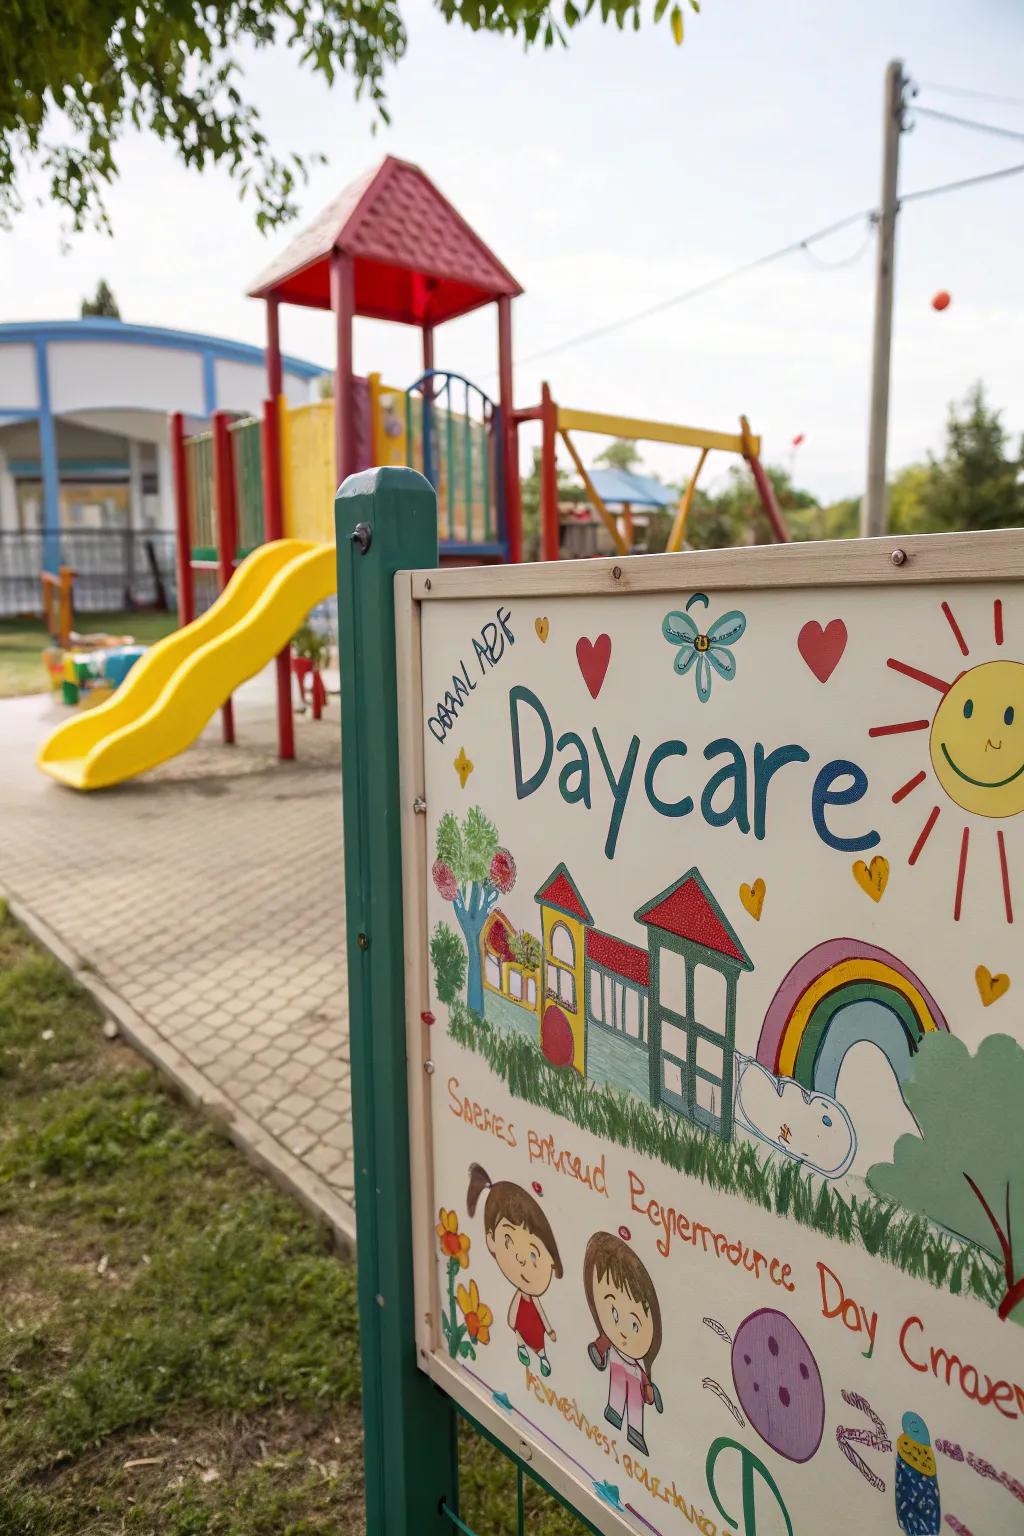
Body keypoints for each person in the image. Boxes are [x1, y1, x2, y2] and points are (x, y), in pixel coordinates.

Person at [467, 1163, 562, 1377]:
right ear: (492, 1240)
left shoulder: (531, 1297)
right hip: (521, 1323)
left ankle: (542, 1357)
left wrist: (549, 1330)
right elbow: (513, 1314)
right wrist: (511, 1323)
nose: (519, 1258)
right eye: (507, 1241)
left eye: (533, 1255)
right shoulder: (521, 1296)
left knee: (536, 1340)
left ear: (552, 1263)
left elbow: (542, 1315)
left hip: (534, 1327)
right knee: (520, 1332)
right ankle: (523, 1348)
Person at [583, 1230, 663, 1455]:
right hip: (618, 1365)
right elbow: (600, 1346)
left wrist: (648, 1389)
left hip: (632, 1372)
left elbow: (646, 1380)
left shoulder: (640, 1361)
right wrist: (598, 1351)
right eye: (614, 1315)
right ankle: (614, 1412)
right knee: (617, 1390)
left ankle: (635, 1431)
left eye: (635, 1326)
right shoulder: (610, 1338)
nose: (625, 1333)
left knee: (635, 1402)